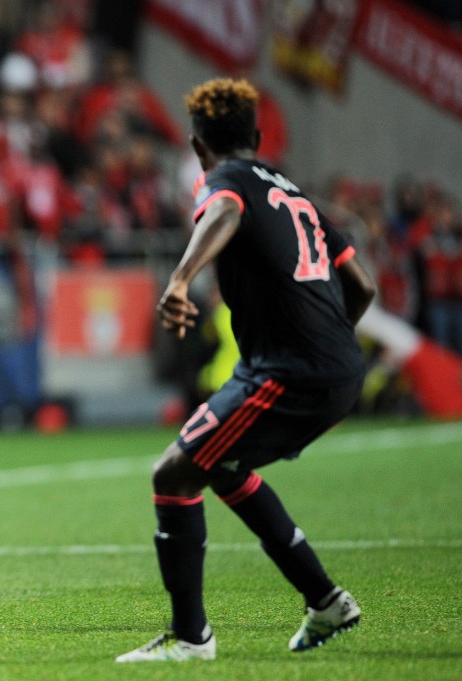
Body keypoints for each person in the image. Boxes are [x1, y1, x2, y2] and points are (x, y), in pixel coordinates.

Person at [115, 78, 376, 663]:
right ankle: (325, 599)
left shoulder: (226, 182)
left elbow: (224, 210)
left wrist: (180, 279)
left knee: (175, 474)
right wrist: (330, 341)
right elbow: (364, 284)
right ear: (257, 138)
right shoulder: (296, 194)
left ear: (197, 148)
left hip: (289, 372)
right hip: (334, 368)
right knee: (224, 467)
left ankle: (190, 640)